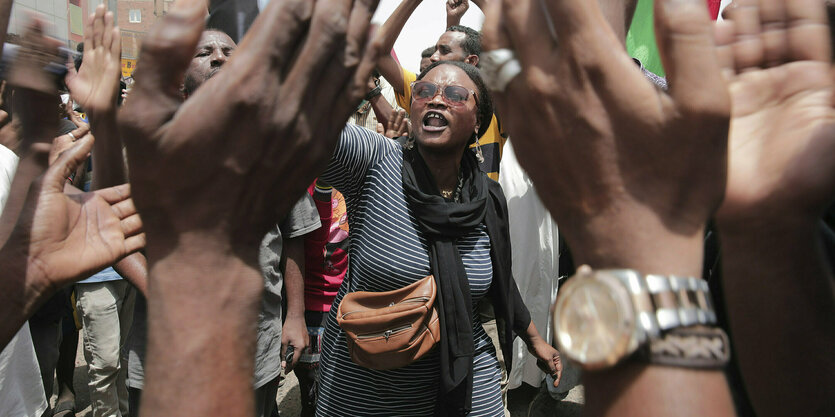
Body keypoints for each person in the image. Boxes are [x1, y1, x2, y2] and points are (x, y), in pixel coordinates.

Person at [314, 60, 560, 417]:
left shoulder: (487, 196)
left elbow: (500, 283)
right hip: (367, 386)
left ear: (478, 122)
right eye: (424, 91)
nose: (436, 100)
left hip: (465, 383)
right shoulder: (375, 161)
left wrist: (535, 339)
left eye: (456, 95)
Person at [374, 0, 507, 180]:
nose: (434, 57)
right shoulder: (423, 89)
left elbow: (517, 48)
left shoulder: (492, 104)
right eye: (436, 49)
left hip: (481, 209)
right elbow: (379, 53)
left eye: (444, 51)